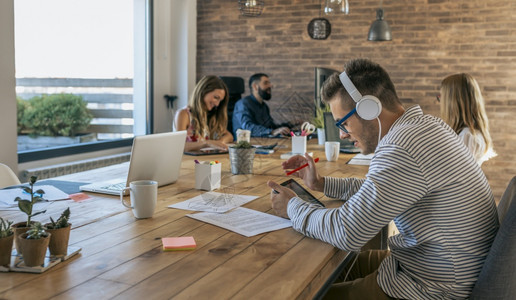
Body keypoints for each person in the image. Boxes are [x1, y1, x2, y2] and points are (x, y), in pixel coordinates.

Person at [267, 59, 499, 299]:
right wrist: (321, 184)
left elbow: (347, 231)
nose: (342, 134)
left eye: (343, 122)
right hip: (430, 267)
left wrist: (292, 207)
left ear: (370, 108)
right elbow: (378, 191)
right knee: (327, 268)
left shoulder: (403, 145)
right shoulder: (424, 126)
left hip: (433, 287)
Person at [439, 73, 496, 165]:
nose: (440, 102)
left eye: (441, 97)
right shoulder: (468, 134)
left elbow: (456, 175)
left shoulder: (467, 136)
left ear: (451, 102)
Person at [173, 75, 233, 151]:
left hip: (205, 160)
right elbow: (179, 146)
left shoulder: (209, 115)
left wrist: (219, 142)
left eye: (220, 100)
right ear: (203, 91)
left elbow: (229, 135)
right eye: (216, 97)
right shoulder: (183, 114)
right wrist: (206, 143)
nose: (217, 104)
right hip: (187, 161)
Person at [231, 73, 292, 137]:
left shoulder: (264, 106)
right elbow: (247, 127)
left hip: (263, 143)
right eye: (265, 83)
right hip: (246, 144)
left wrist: (290, 124)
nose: (270, 85)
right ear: (255, 86)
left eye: (269, 83)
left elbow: (271, 127)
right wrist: (272, 132)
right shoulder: (243, 104)